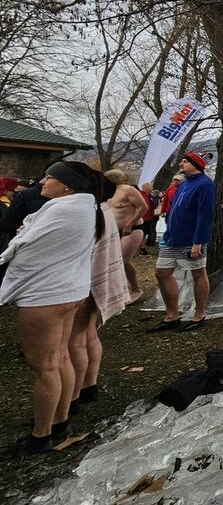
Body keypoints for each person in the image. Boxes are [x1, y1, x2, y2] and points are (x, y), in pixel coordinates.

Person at [0, 161, 108, 455]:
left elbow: (24, 247)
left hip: (45, 295)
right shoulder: (86, 209)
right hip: (70, 291)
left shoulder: (62, 210)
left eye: (51, 177)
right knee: (60, 358)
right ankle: (59, 421)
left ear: (67, 186)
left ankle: (40, 435)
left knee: (45, 366)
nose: (43, 182)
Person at [67, 178, 129, 416]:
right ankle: (88, 385)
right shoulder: (103, 210)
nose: (43, 182)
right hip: (92, 279)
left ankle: (71, 396)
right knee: (88, 334)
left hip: (83, 282)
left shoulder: (89, 213)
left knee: (75, 341)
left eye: (51, 177)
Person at [150, 152, 216, 333]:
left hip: (191, 240)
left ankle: (199, 315)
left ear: (196, 164)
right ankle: (172, 316)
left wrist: (198, 242)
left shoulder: (205, 185)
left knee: (198, 274)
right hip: (171, 238)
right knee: (162, 272)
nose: (181, 163)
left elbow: (205, 215)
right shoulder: (184, 183)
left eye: (185, 161)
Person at [104, 170, 148, 304]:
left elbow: (143, 207)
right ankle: (116, 291)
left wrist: (129, 223)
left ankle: (136, 290)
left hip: (132, 230)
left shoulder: (127, 190)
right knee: (109, 261)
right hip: (112, 230)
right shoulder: (106, 192)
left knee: (123, 259)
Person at [139, 182, 161, 253]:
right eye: (151, 187)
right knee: (141, 233)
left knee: (145, 233)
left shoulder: (150, 196)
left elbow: (153, 205)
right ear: (146, 187)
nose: (152, 188)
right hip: (142, 218)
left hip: (149, 218)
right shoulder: (140, 195)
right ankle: (138, 248)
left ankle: (142, 248)